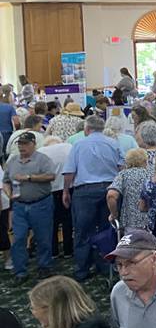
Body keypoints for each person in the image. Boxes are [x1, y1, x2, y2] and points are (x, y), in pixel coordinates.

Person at [61, 115, 124, 281]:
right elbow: (122, 167)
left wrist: (66, 191)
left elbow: (69, 172)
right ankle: (105, 266)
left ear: (86, 129)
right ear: (102, 128)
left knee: (82, 231)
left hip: (84, 192)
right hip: (109, 190)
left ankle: (82, 270)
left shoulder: (77, 145)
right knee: (106, 230)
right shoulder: (113, 143)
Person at [2, 131, 56, 281]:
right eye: (20, 144)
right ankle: (20, 271)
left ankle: (44, 266)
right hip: (19, 205)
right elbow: (6, 180)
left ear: (33, 144)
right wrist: (8, 193)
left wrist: (29, 178)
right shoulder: (12, 161)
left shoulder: (42, 159)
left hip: (41, 203)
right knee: (18, 238)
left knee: (43, 238)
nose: (21, 147)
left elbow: (51, 176)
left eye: (25, 144)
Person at [39, 136, 73, 260]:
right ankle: (68, 250)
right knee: (67, 220)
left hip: (49, 190)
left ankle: (53, 251)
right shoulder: (67, 147)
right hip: (67, 187)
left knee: (51, 222)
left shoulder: (41, 151)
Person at [107, 148, 151, 233]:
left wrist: (114, 214)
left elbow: (111, 195)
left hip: (130, 222)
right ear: (145, 160)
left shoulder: (123, 175)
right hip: (150, 221)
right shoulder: (152, 175)